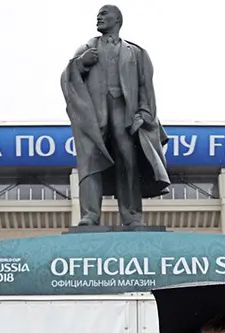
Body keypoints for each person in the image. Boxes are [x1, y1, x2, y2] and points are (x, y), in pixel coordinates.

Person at [60, 5, 171, 227]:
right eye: (97, 15)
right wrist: (81, 63)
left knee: (128, 160)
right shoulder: (86, 49)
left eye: (104, 14)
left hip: (125, 113)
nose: (98, 18)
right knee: (90, 160)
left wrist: (144, 113)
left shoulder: (136, 53)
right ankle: (90, 215)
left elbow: (145, 87)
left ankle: (132, 215)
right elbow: (68, 78)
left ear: (118, 19)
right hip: (94, 115)